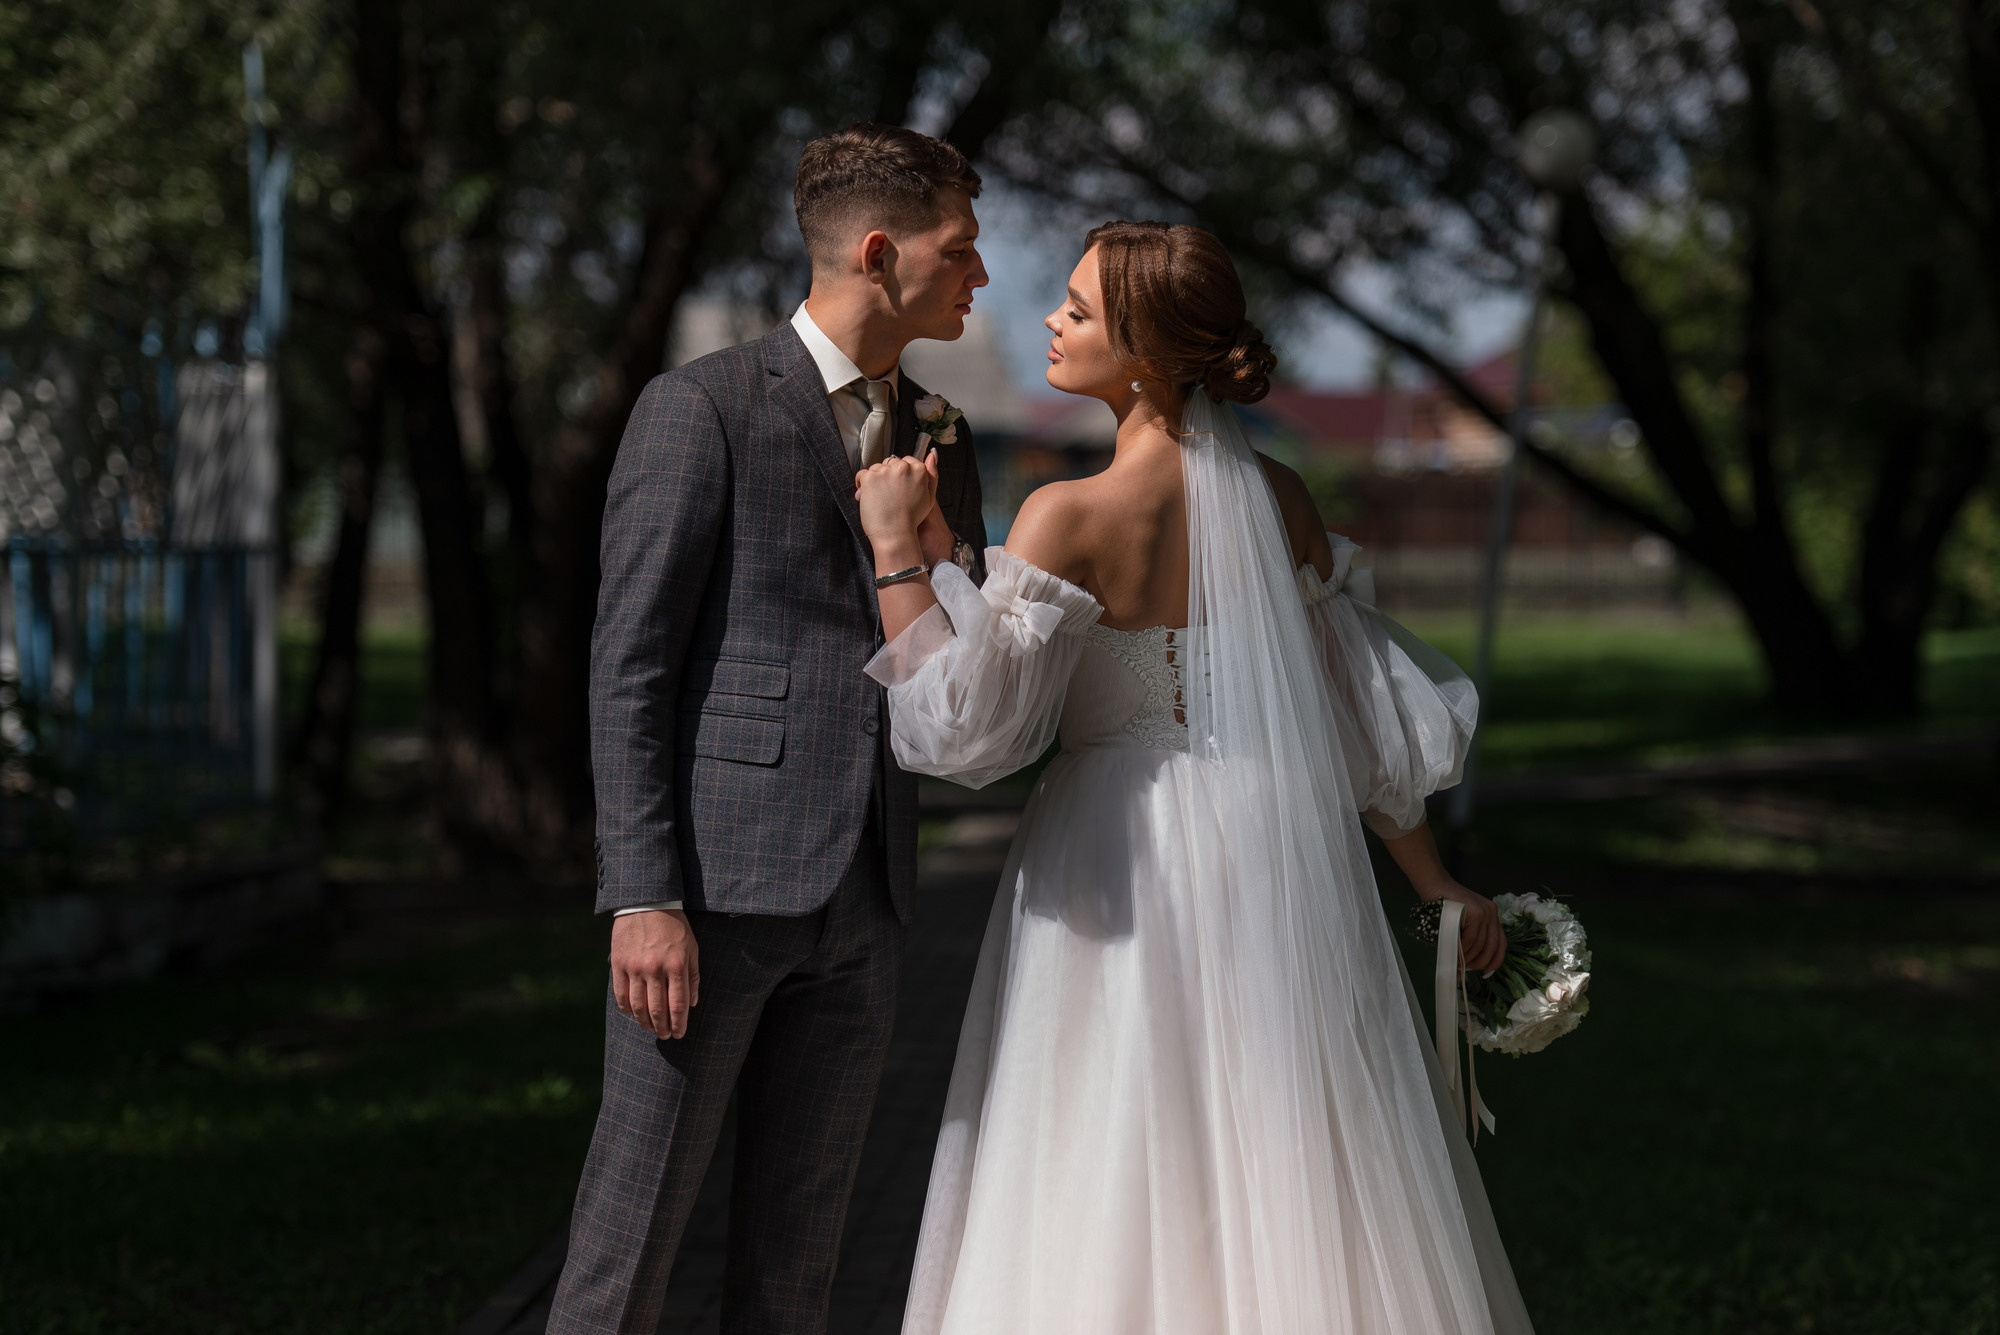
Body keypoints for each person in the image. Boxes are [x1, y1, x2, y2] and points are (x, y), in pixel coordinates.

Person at [853, 221, 1537, 1334]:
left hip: (1111, 863)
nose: (1049, 320)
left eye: (1076, 310)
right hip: (1272, 844)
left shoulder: (1065, 514)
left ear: (1145, 351)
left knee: (1108, 1138)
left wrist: (895, 553)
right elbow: (1354, 716)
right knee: (1286, 1142)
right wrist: (1431, 880)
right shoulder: (1283, 501)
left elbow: (966, 735)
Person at [546, 124, 989, 1335]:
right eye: (961, 250)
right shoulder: (699, 408)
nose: (981, 277)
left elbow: (961, 655)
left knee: (799, 1270)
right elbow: (628, 667)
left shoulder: (943, 435)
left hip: (870, 898)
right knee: (625, 1253)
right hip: (711, 898)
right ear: (881, 252)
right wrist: (643, 893)